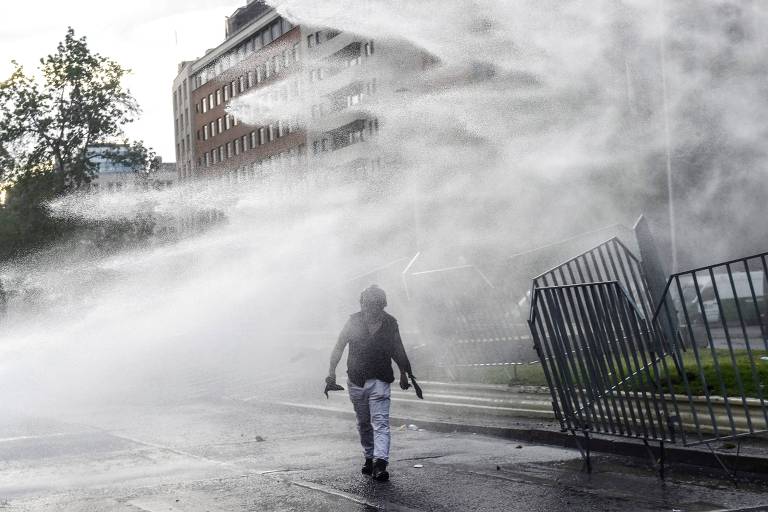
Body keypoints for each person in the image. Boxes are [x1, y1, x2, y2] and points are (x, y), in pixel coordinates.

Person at [326, 284, 414, 482]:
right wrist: (331, 372)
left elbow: (398, 348)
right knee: (364, 422)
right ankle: (369, 457)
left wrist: (404, 372)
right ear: (362, 304)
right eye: (366, 304)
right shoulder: (353, 321)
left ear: (382, 305)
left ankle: (380, 463)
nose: (370, 309)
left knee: (381, 422)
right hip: (356, 379)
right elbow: (339, 346)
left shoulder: (391, 323)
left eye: (374, 305)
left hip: (381, 379)